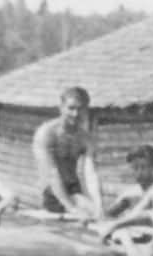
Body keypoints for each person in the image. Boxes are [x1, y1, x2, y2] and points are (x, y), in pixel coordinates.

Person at [33, 85, 103, 218]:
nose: (75, 114)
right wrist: (71, 208)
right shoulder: (47, 133)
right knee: (85, 211)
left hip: (74, 190)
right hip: (51, 193)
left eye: (80, 109)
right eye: (71, 108)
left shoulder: (84, 138)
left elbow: (91, 173)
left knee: (96, 213)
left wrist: (99, 206)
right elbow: (52, 173)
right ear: (61, 107)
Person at [107, 145, 153, 222]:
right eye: (135, 168)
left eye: (143, 167)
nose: (139, 172)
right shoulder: (129, 195)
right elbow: (108, 215)